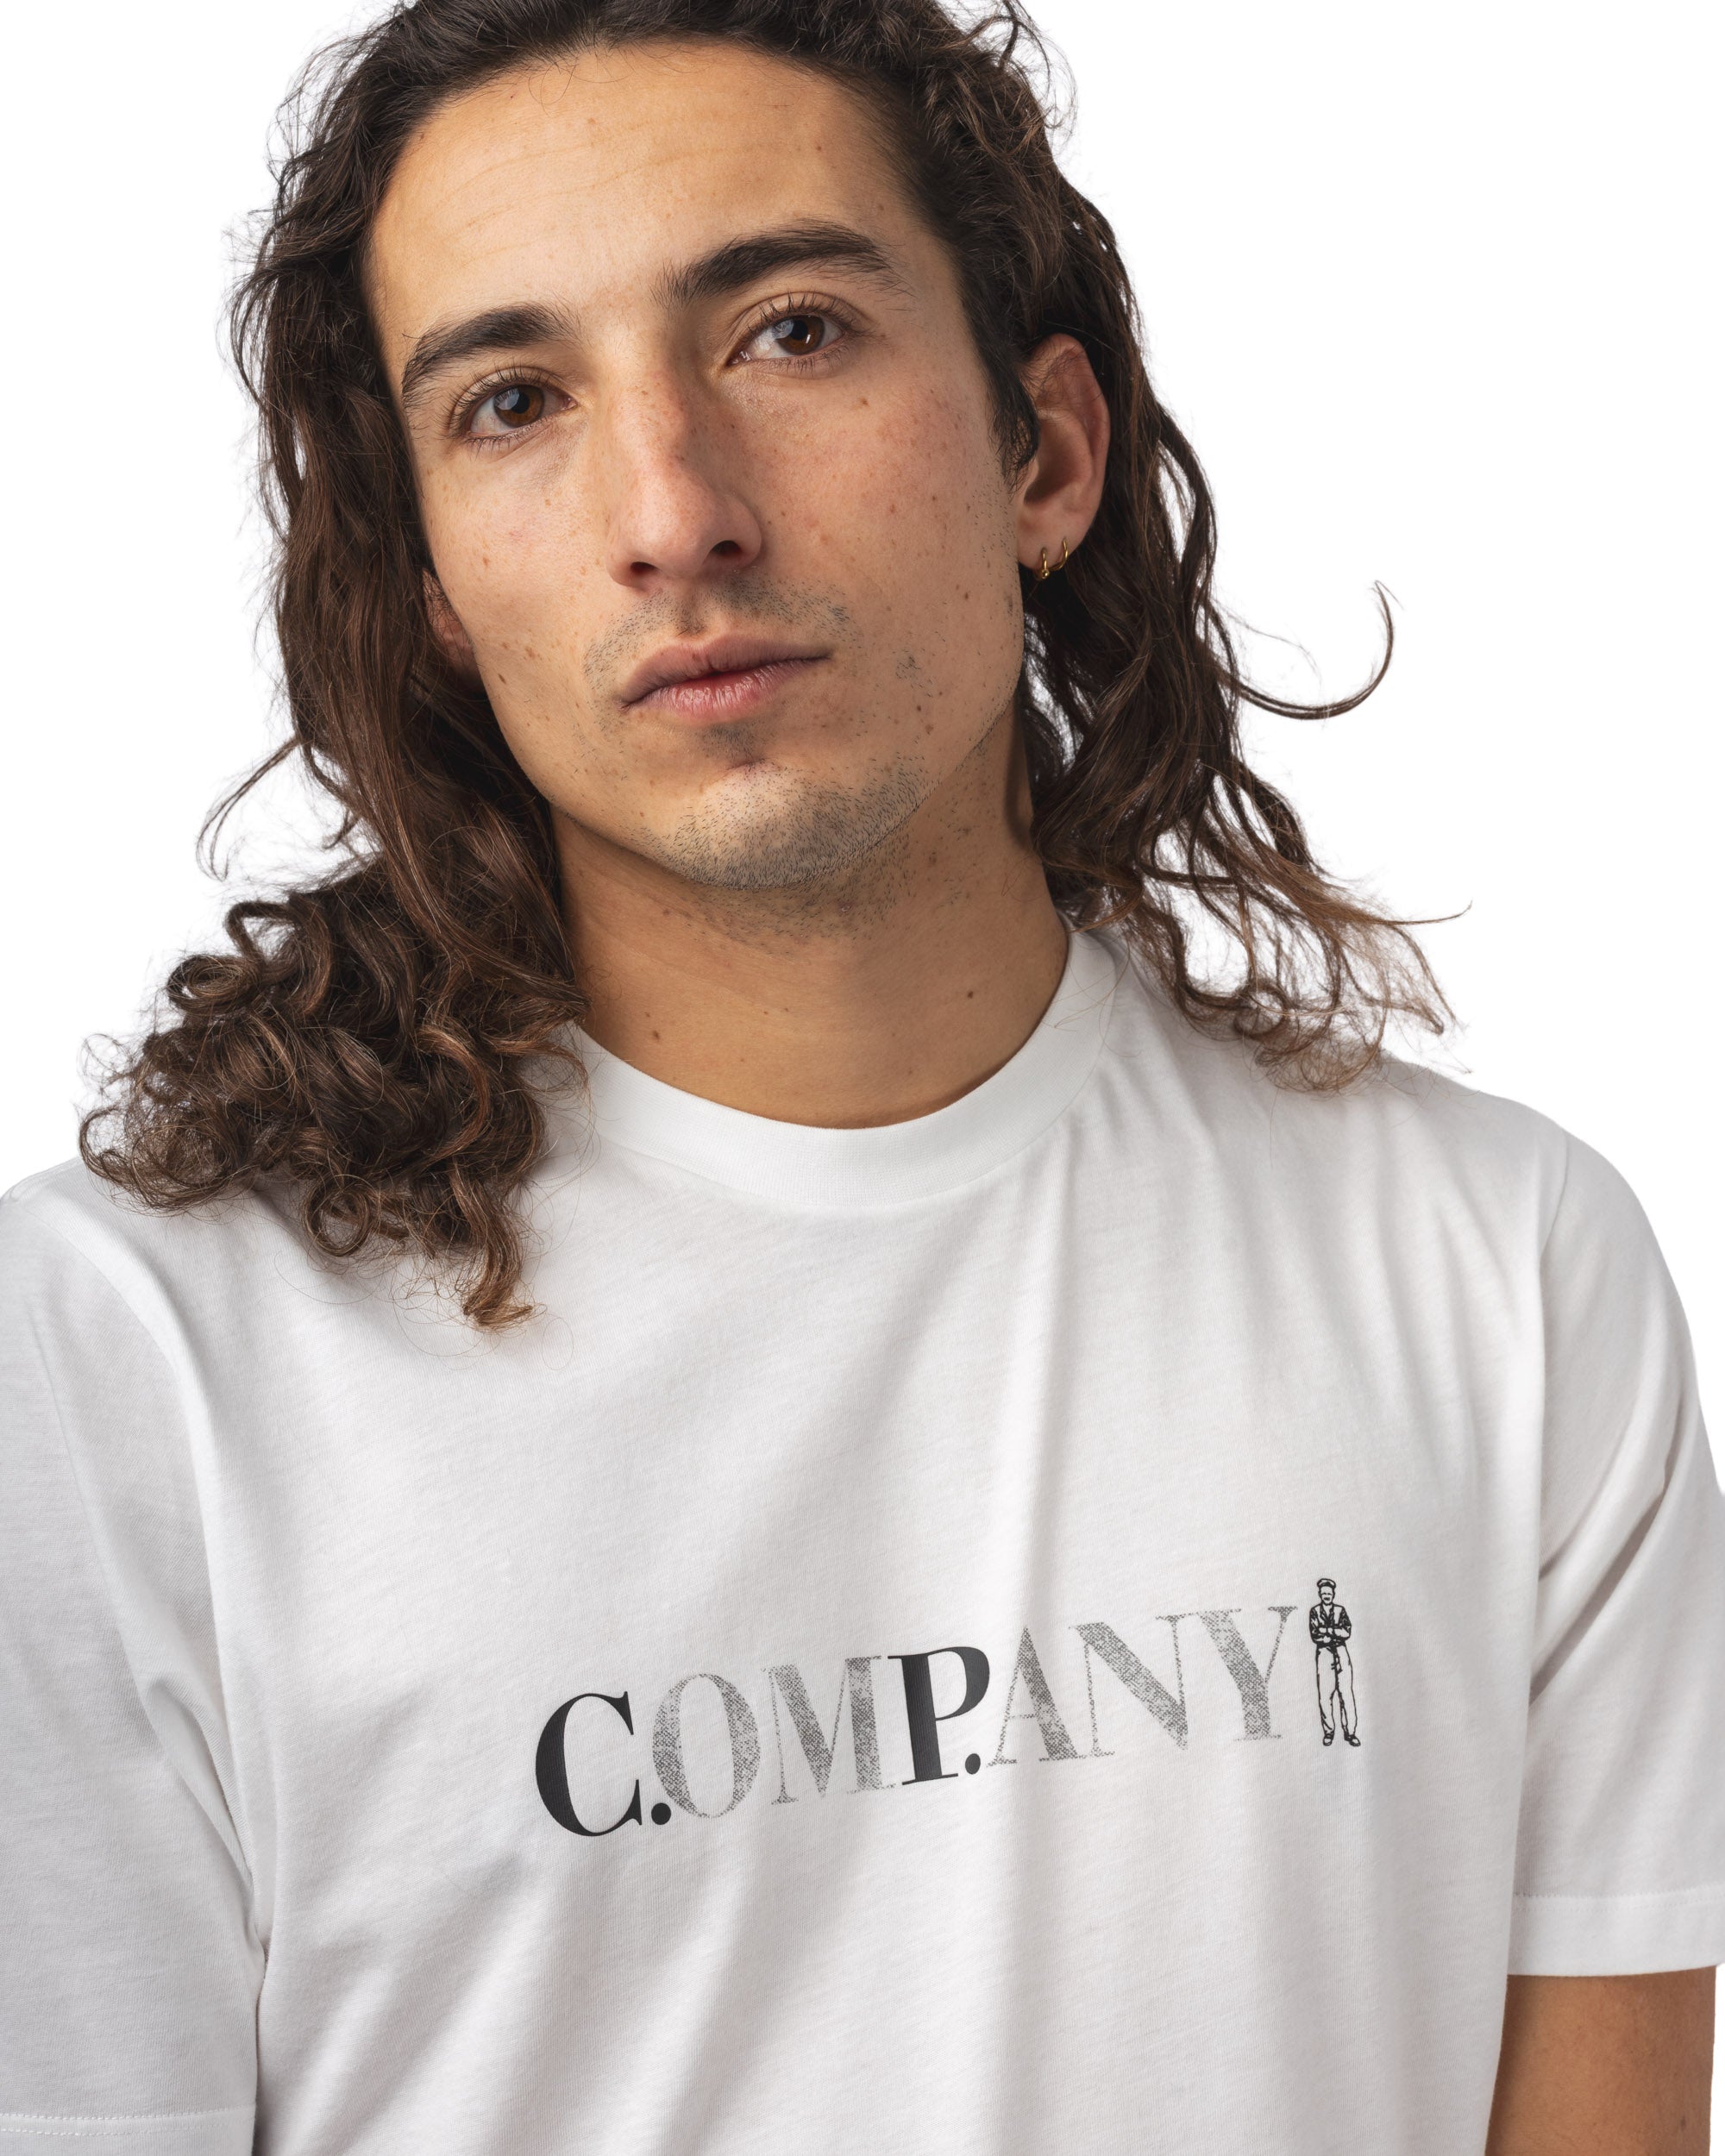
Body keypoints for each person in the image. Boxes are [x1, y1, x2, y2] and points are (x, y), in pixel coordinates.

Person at [2, 0, 1721, 2148]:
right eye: (514, 400)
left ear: (1045, 453)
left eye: (789, 333)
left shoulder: (1502, 1276)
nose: (672, 512)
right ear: (430, 582)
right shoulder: (118, 1366)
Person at [1309, 1576, 1359, 1748]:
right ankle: (1329, 1732)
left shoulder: (1340, 1610)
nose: (1326, 1596)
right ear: (1320, 1594)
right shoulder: (1315, 1611)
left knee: (1346, 1694)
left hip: (1341, 1653)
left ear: (1333, 1594)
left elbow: (1347, 1632)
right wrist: (1333, 1634)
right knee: (1325, 1695)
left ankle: (1350, 1732)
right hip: (1324, 1654)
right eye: (1324, 1593)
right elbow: (1315, 1635)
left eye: (1329, 1593)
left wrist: (1328, 1630)